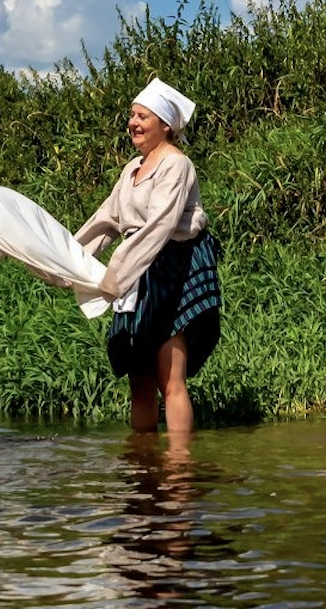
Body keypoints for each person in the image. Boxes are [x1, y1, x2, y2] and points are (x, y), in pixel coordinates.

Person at [74, 79, 222, 437]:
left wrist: (114, 277)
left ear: (166, 125)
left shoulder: (176, 165)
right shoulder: (131, 169)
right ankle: (142, 467)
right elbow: (106, 219)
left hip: (173, 270)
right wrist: (68, 259)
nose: (133, 123)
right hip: (137, 271)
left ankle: (178, 470)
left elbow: (160, 225)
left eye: (142, 116)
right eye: (131, 116)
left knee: (169, 375)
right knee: (139, 378)